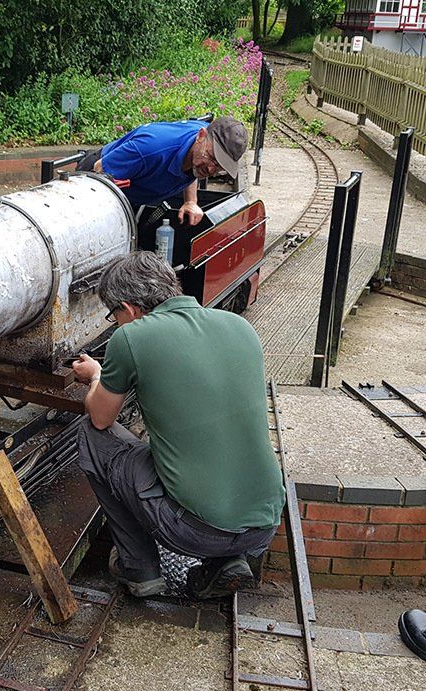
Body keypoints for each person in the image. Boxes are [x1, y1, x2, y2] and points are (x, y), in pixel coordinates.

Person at [71, 251, 284, 598]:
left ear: (128, 309)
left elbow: (100, 417)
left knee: (92, 436)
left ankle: (139, 567)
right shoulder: (240, 326)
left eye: (114, 316)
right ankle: (226, 563)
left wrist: (96, 375)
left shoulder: (131, 337)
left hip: (193, 532)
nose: (117, 323)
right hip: (264, 524)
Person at [77, 116, 248, 226]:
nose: (211, 169)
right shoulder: (150, 148)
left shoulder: (203, 145)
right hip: (98, 175)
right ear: (200, 136)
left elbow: (194, 167)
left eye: (219, 166)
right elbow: (99, 169)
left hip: (140, 188)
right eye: (211, 157)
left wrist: (191, 201)